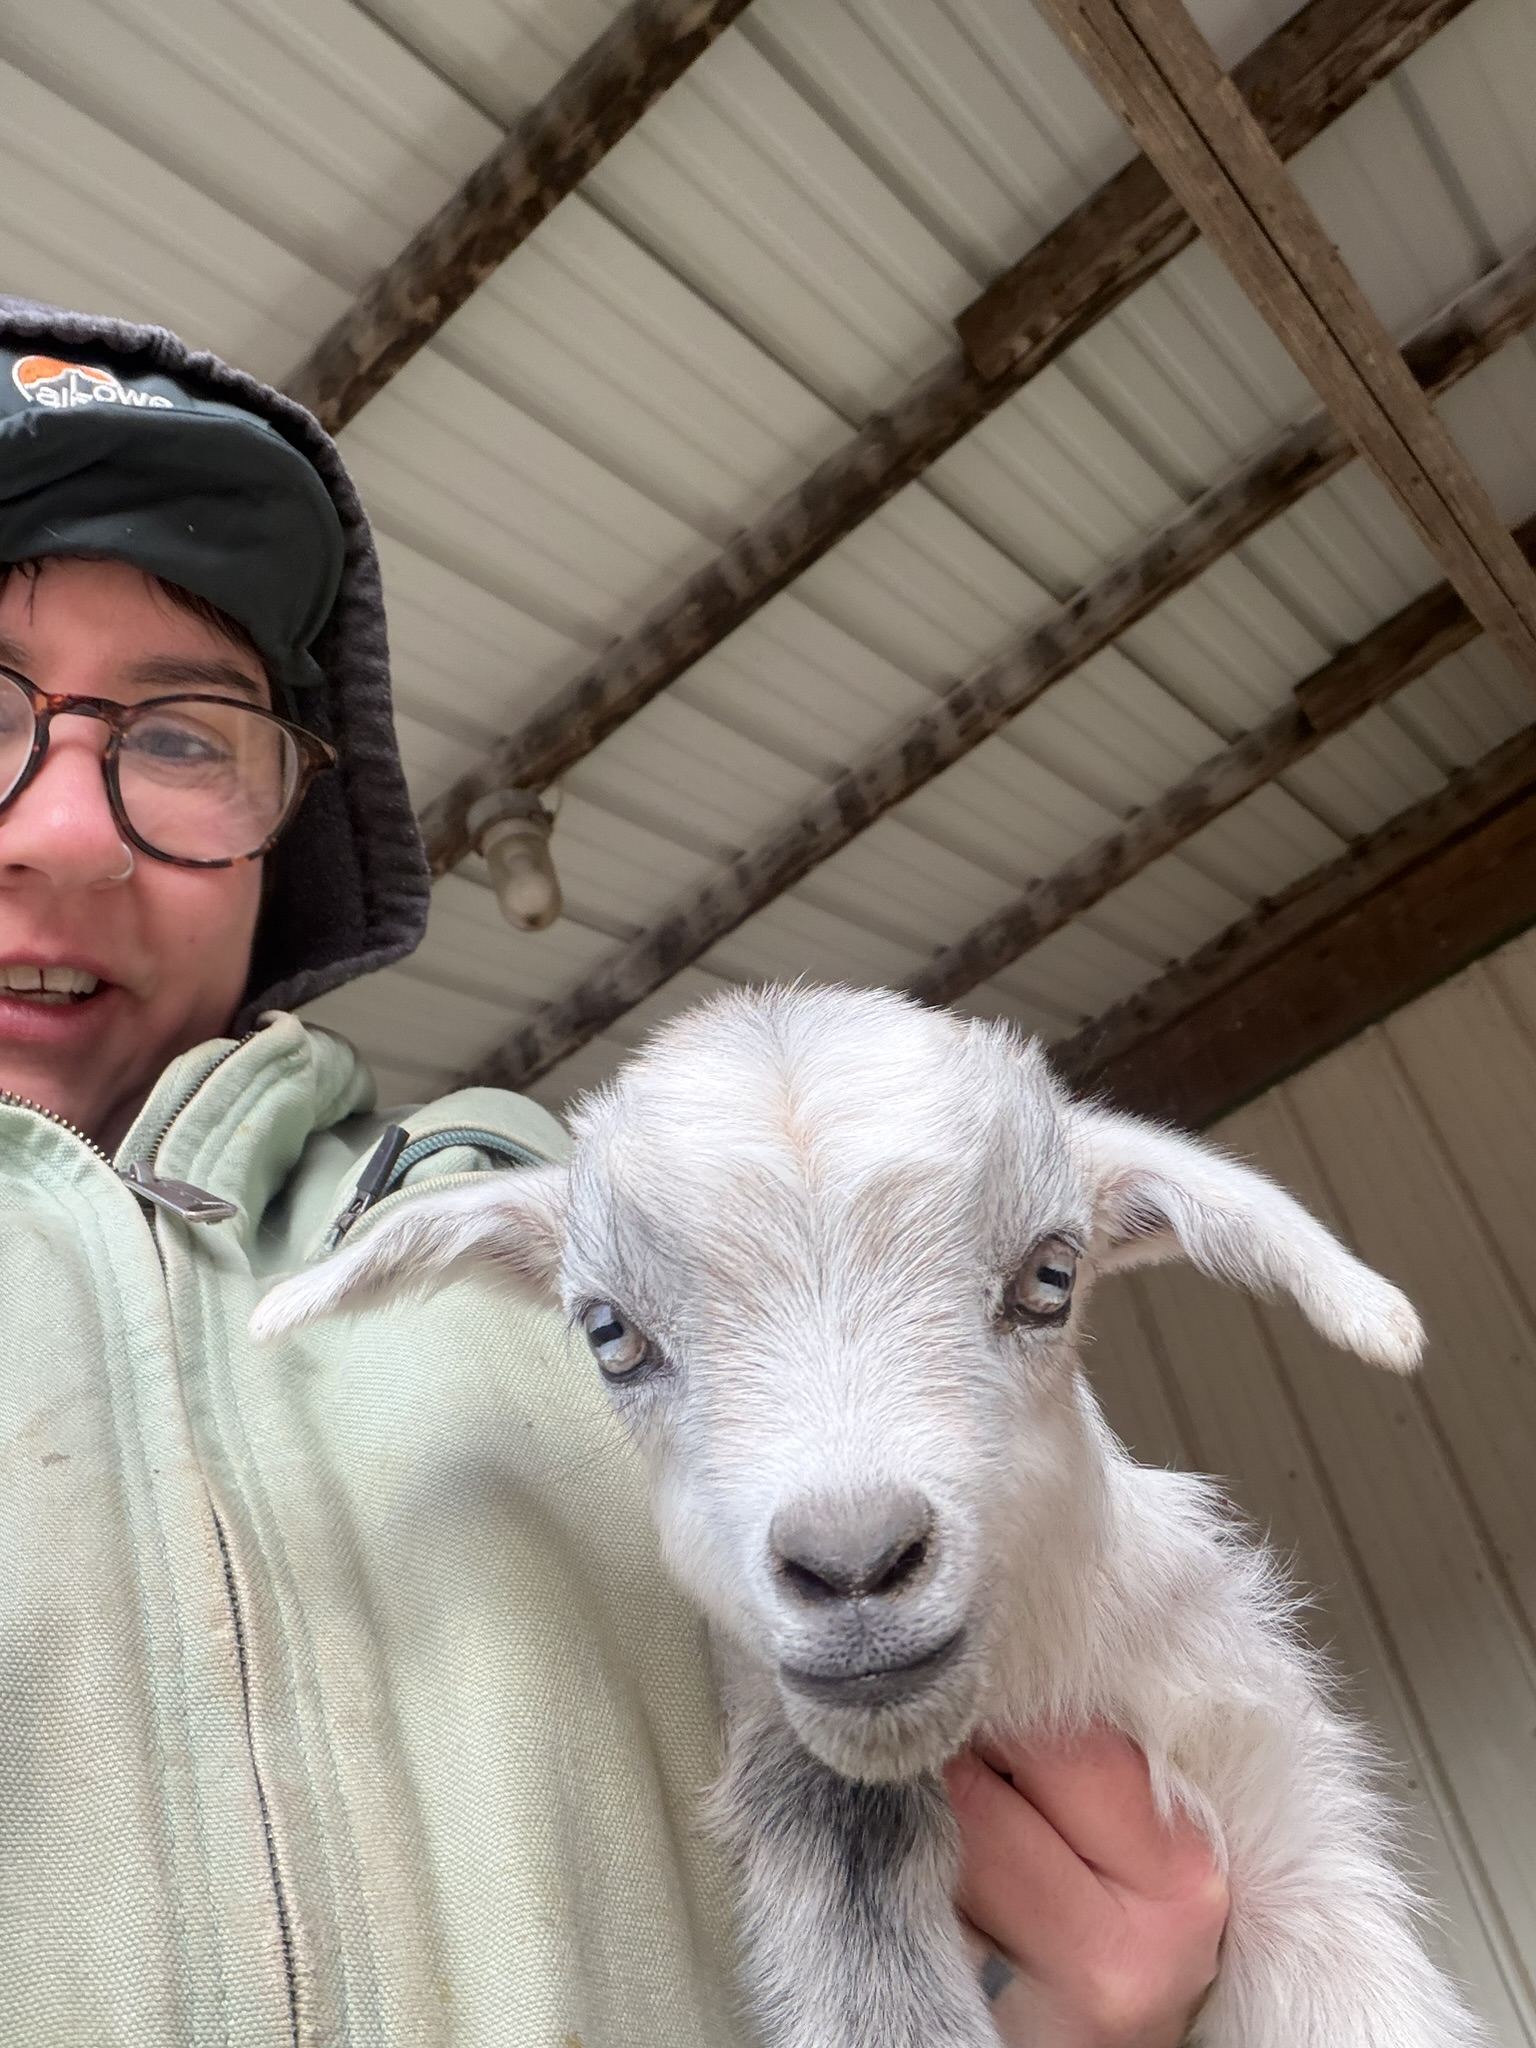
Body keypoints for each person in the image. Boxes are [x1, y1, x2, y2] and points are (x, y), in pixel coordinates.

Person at [0, 297, 1226, 2047]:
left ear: (287, 826)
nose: (65, 828)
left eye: (188, 733)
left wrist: (1082, 2020)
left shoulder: (587, 1259)